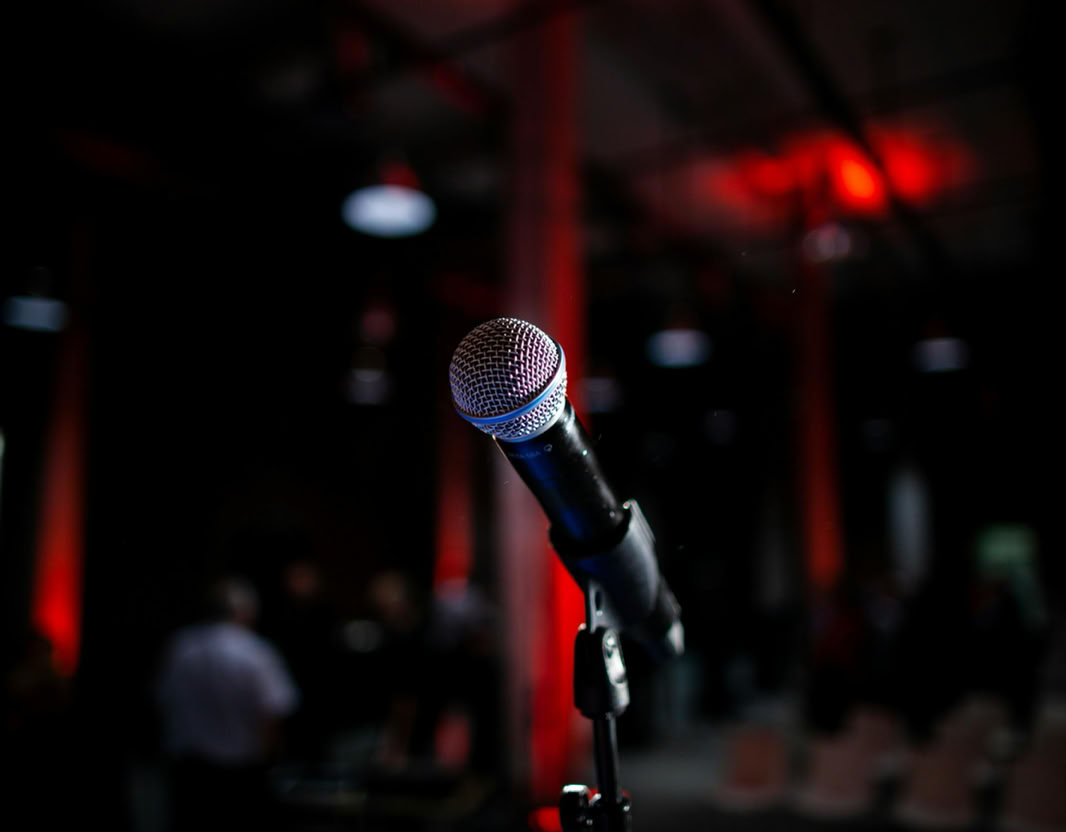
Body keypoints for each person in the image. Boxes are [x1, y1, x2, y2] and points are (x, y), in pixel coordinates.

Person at [156, 577, 298, 831]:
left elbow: (161, 700)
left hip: (189, 772)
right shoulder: (256, 652)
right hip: (240, 774)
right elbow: (273, 713)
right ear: (245, 612)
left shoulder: (181, 647)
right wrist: (271, 760)